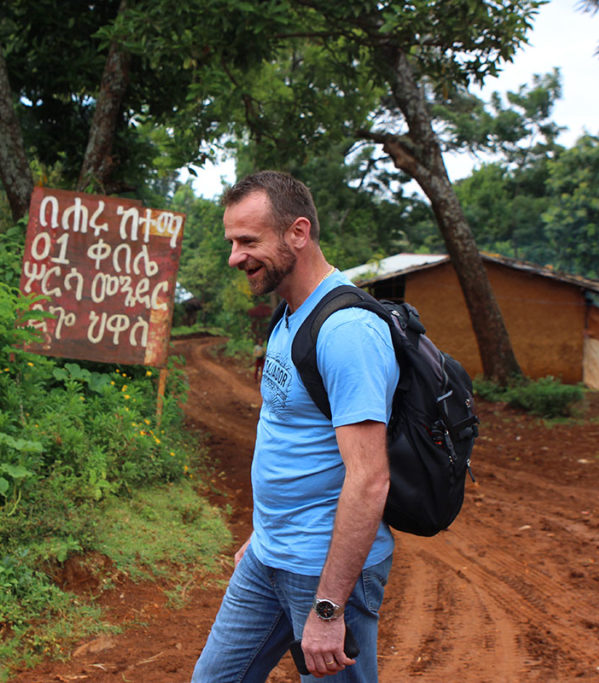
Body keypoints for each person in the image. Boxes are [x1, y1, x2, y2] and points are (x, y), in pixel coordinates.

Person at [193, 171, 399, 682]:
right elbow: (292, 439)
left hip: (323, 572)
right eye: (232, 242)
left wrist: (328, 608)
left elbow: (369, 479)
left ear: (298, 233)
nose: (234, 257)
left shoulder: (348, 330)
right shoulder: (289, 314)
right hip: (268, 555)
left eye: (248, 241)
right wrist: (264, 532)